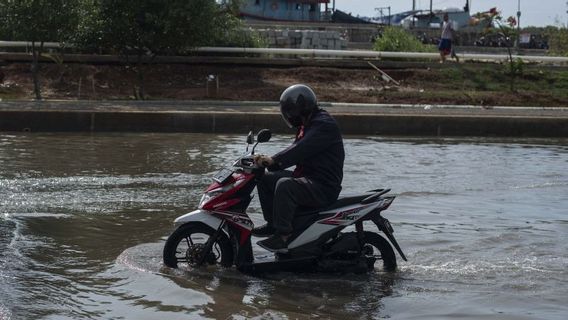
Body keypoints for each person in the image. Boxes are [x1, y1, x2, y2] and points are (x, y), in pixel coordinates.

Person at [252, 84, 345, 252]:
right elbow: (295, 151)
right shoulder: (308, 124)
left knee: (285, 185)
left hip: (323, 186)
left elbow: (300, 150)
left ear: (298, 109)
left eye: (289, 110)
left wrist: (273, 160)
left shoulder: (323, 124)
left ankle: (283, 236)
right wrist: (269, 163)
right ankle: (273, 224)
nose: (287, 115)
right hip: (309, 178)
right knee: (265, 179)